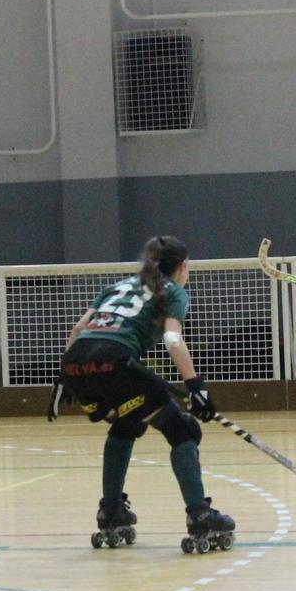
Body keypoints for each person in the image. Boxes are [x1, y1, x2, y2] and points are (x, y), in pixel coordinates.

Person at [50, 236, 235, 553]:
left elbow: (78, 330)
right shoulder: (173, 291)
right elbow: (173, 339)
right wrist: (196, 387)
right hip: (115, 360)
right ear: (181, 267)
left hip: (76, 363)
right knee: (182, 430)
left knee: (127, 422)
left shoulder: (119, 285)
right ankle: (199, 515)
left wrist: (64, 379)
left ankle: (111, 512)